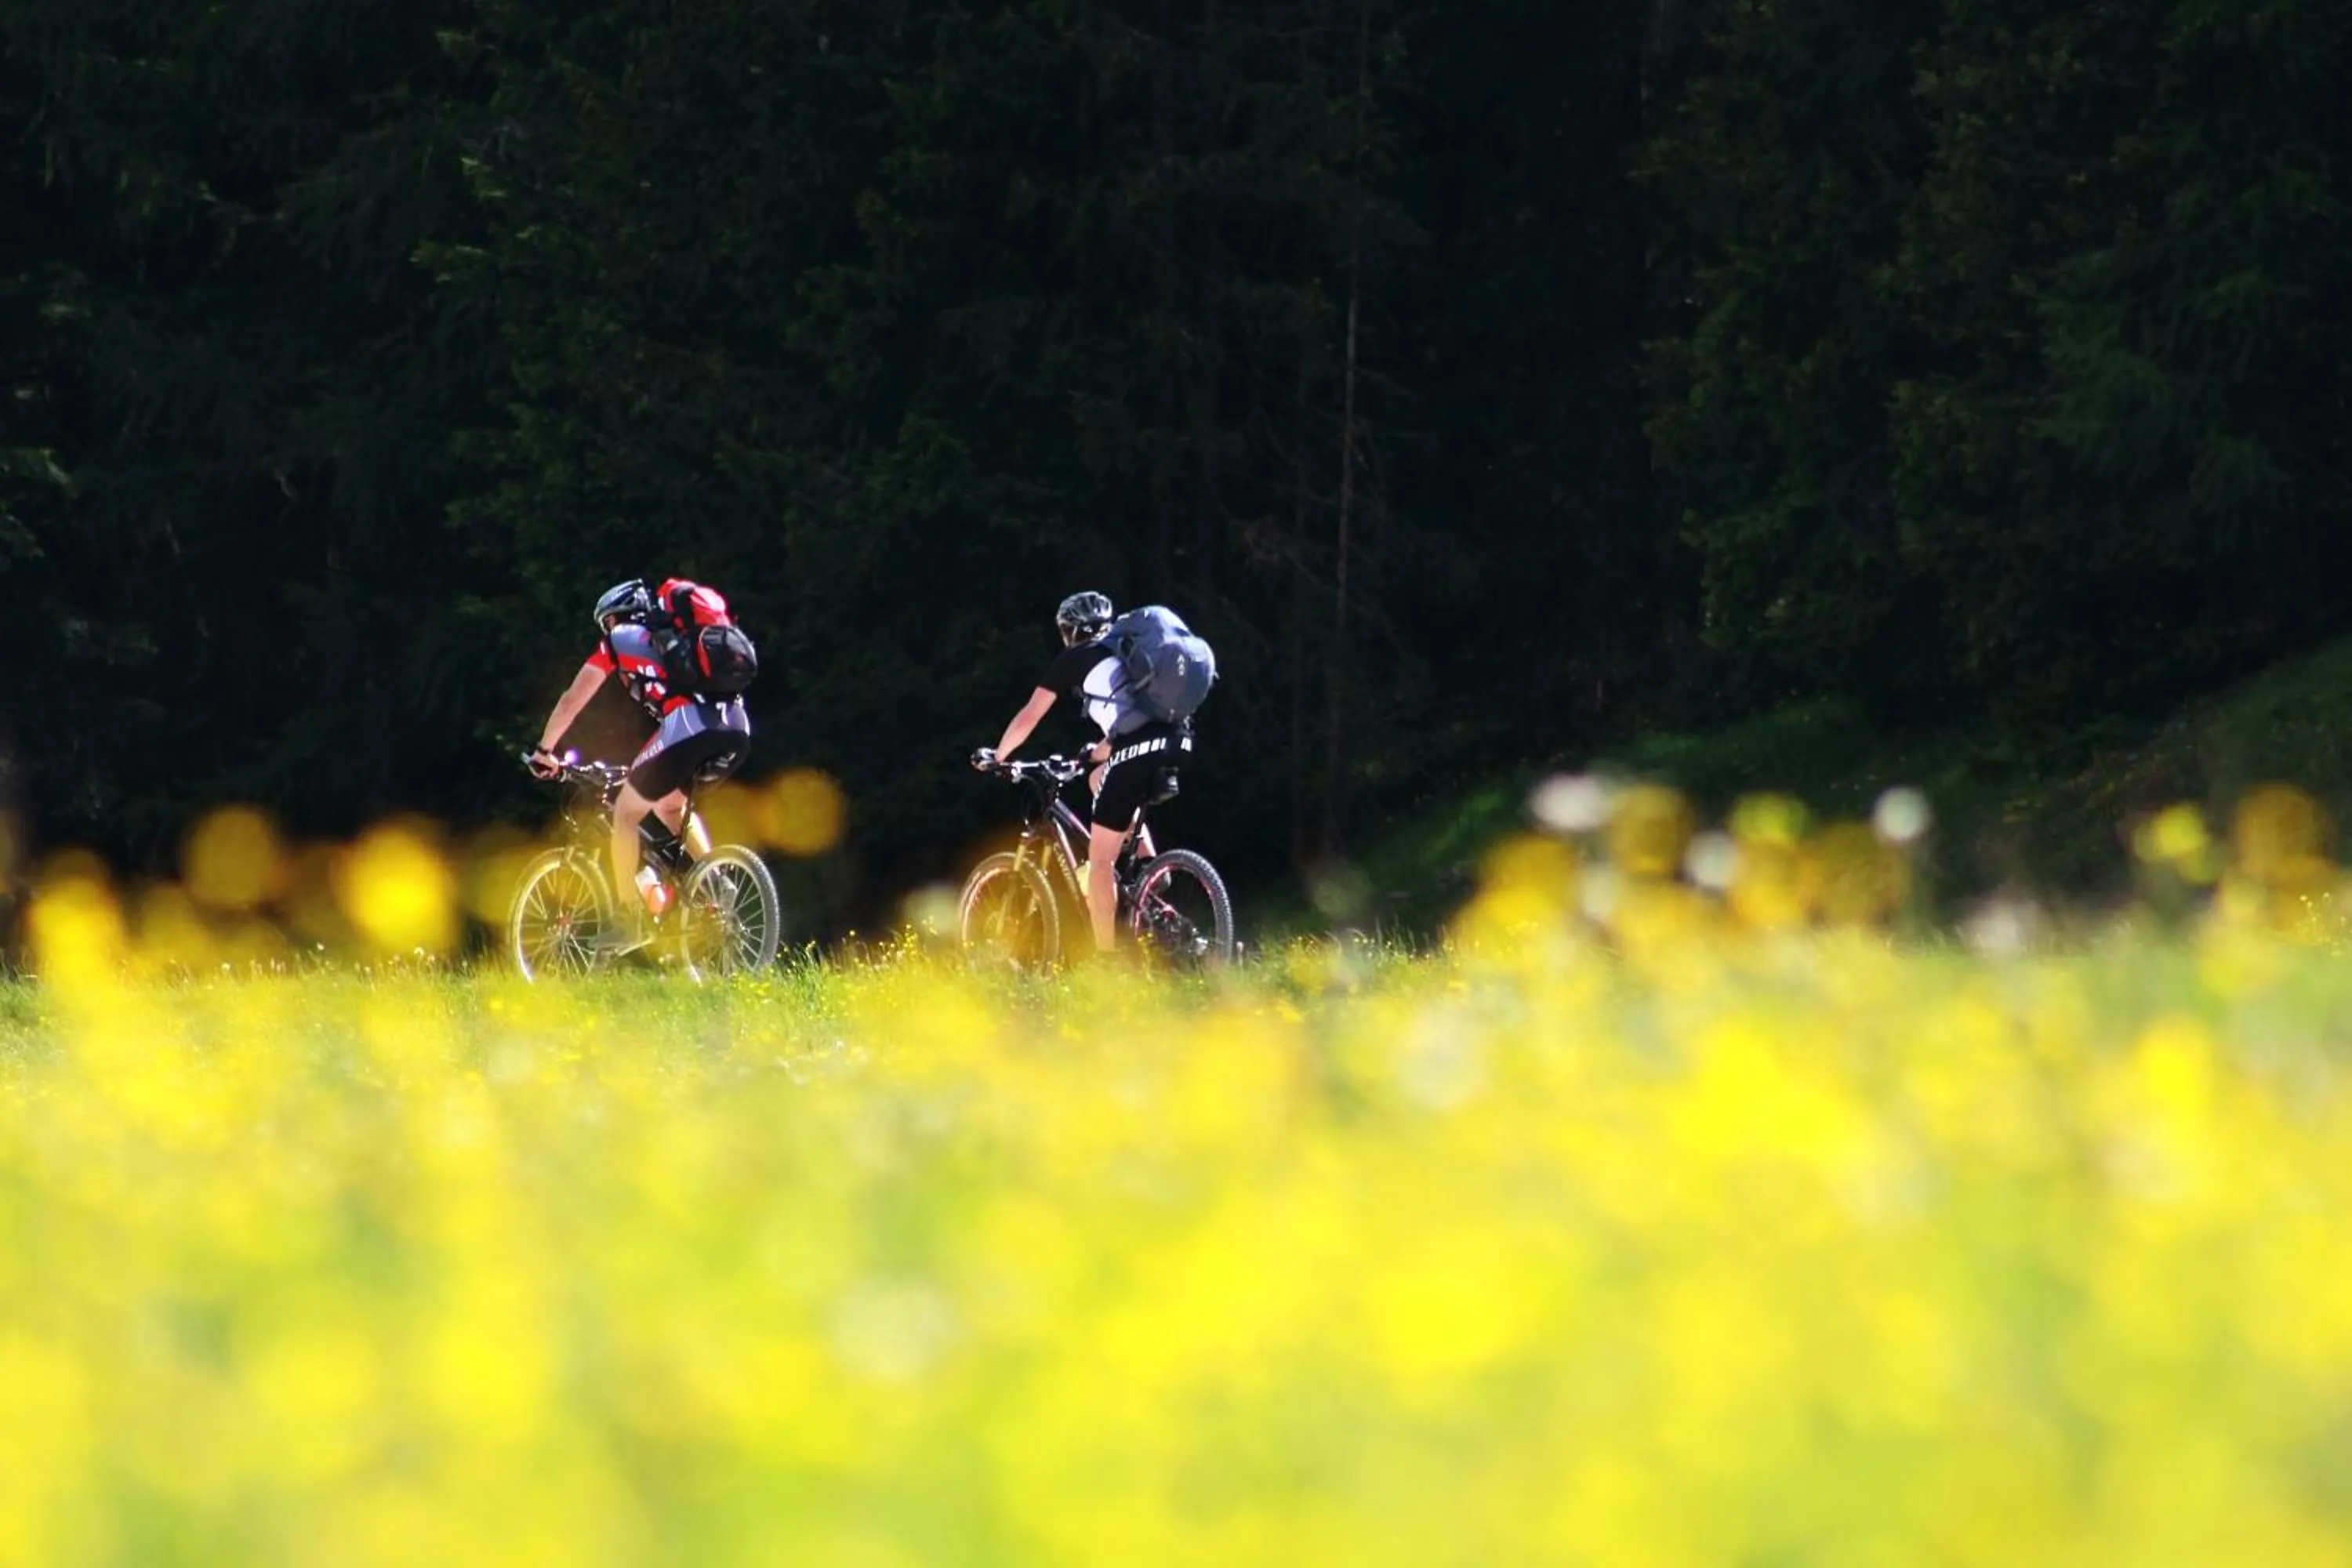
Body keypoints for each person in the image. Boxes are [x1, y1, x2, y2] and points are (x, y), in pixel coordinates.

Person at [528, 578, 751, 952]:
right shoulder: (679, 641)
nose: (609, 631)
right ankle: (717, 881)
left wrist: (544, 750)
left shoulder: (620, 641)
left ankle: (628, 918)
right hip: (736, 728)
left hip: (687, 727)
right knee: (670, 805)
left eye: (608, 623)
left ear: (618, 617)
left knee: (625, 815)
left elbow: (572, 700)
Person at [975, 590, 1192, 954]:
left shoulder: (1075, 658)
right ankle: (1150, 868)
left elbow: (1030, 715)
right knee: (1097, 777)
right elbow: (1134, 721)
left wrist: (998, 756)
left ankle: (1105, 964)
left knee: (1101, 862)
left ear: (1068, 632)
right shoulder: (1128, 654)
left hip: (1138, 749)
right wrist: (1096, 751)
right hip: (1179, 739)